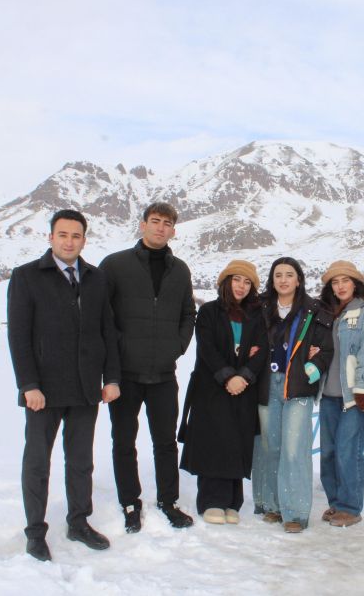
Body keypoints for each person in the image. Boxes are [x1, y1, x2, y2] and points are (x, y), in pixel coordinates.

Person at [7, 209, 121, 562]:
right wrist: (29, 384)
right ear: (50, 237)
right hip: (44, 390)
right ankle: (35, 532)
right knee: (37, 463)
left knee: (81, 461)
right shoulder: (27, 276)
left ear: (84, 240)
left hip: (86, 388)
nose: (69, 242)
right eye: (63, 234)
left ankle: (78, 522)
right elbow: (19, 337)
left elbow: (107, 332)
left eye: (76, 236)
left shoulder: (96, 278)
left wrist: (111, 378)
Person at [99, 202, 196, 532]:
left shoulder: (179, 270)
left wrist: (177, 346)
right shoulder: (115, 265)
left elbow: (188, 313)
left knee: (166, 442)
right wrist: (119, 349)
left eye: (167, 223)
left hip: (163, 374)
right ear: (142, 225)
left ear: (173, 231)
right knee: (124, 441)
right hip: (125, 374)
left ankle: (169, 501)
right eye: (155, 221)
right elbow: (102, 315)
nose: (160, 228)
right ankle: (130, 502)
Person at [178, 261, 269, 525]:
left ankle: (232, 501)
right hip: (213, 387)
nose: (241, 286)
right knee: (215, 442)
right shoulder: (209, 311)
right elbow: (207, 348)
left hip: (244, 389)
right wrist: (229, 376)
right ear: (226, 282)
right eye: (237, 279)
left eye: (247, 282)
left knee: (237, 442)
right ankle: (211, 501)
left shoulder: (256, 315)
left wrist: (244, 376)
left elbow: (262, 349)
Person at [253, 257, 334, 533]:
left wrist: (316, 364)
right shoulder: (261, 308)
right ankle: (274, 505)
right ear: (272, 280)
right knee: (270, 446)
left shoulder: (314, 310)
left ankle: (296, 513)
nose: (283, 280)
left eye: (289, 274)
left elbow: (327, 346)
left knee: (294, 448)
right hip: (267, 384)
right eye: (278, 275)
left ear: (298, 280)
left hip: (298, 385)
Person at [318, 261, 364, 528]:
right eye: (335, 282)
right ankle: (335, 502)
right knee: (329, 453)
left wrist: (363, 389)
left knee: (349, 451)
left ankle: (350, 507)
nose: (340, 286)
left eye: (345, 280)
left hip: (353, 394)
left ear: (355, 284)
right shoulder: (328, 314)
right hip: (328, 394)